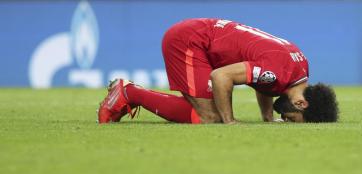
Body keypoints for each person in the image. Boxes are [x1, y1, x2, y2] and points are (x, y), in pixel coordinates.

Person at [98, 18, 338, 124]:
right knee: (209, 117)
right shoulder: (278, 73)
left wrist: (267, 117)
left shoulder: (299, 68)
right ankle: (129, 93)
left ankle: (130, 92)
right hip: (190, 41)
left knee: (208, 111)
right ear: (301, 104)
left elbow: (265, 82)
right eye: (293, 119)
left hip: (202, 34)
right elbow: (221, 76)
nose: (286, 119)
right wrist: (229, 120)